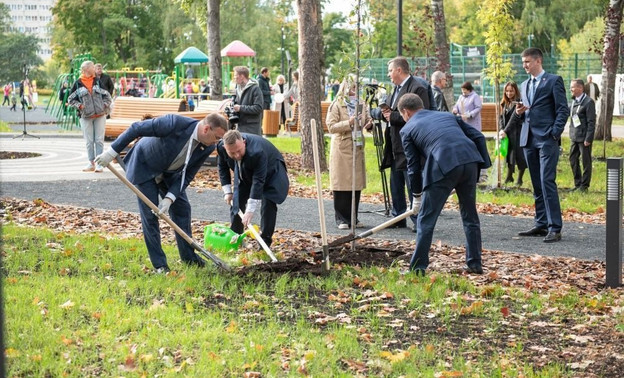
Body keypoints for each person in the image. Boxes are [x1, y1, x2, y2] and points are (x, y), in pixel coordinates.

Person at [94, 113, 229, 273]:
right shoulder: (174, 123)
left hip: (170, 173)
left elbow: (188, 174)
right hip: (144, 166)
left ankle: (189, 258)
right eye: (217, 137)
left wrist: (170, 198)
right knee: (150, 216)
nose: (217, 142)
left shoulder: (208, 147)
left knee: (182, 210)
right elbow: (136, 128)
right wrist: (111, 152)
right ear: (206, 129)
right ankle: (160, 265)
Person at [398, 93, 491, 275]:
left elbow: (413, 167)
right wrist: (483, 166)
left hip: (443, 165)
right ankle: (475, 263)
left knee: (426, 219)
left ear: (406, 112)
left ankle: (417, 268)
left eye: (402, 116)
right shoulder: (447, 115)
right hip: (470, 161)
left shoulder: (407, 129)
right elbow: (478, 137)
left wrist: (416, 196)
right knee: (469, 215)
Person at [500, 48, 569, 243]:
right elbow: (523, 111)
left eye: (527, 62)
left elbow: (563, 110)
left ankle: (555, 227)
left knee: (547, 181)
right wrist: (519, 113)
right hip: (528, 139)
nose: (524, 65)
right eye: (523, 62)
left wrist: (554, 133)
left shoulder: (554, 81)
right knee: (537, 183)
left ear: (538, 61)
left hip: (547, 138)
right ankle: (541, 223)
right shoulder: (524, 84)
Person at [370, 56, 436, 231]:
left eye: (391, 70)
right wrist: (382, 113)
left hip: (410, 143)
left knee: (412, 181)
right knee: (396, 182)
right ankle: (398, 216)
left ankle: (418, 219)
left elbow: (421, 115)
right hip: (395, 142)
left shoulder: (417, 88)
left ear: (399, 70)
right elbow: (390, 112)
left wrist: (393, 116)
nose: (389, 74)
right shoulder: (396, 89)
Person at [217, 130, 289, 248]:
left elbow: (258, 181)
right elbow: (222, 167)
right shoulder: (221, 147)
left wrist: (250, 211)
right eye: (232, 153)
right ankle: (235, 238)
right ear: (225, 147)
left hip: (272, 173)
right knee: (237, 200)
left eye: (239, 151)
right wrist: (227, 191)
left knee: (268, 203)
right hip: (247, 172)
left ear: (244, 142)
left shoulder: (257, 152)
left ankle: (264, 243)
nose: (237, 156)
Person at [326, 77, 372, 229]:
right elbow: (331, 126)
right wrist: (349, 123)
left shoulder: (361, 102)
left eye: (357, 87)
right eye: (352, 87)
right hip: (342, 147)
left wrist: (369, 123)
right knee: (341, 183)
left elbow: (366, 119)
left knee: (355, 183)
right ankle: (341, 218)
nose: (354, 90)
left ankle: (354, 217)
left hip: (357, 146)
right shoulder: (337, 103)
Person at [67, 60, 113, 173]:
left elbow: (107, 95)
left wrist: (104, 105)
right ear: (87, 69)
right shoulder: (77, 83)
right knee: (89, 141)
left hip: (100, 115)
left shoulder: (97, 81)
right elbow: (70, 100)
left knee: (99, 140)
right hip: (85, 116)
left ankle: (99, 164)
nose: (95, 69)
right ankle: (91, 162)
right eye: (93, 67)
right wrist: (80, 106)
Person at [568, 78, 596, 192]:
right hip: (574, 136)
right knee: (572, 159)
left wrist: (588, 138)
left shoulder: (588, 102)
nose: (571, 89)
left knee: (586, 161)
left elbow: (591, 122)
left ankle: (584, 186)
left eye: (573, 87)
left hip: (584, 138)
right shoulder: (574, 101)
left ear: (580, 88)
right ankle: (577, 183)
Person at [499, 81, 527, 186]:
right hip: (507, 133)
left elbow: (513, 119)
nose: (509, 93)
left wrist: (505, 130)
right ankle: (509, 176)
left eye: (511, 91)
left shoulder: (519, 102)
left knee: (520, 156)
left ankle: (520, 179)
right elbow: (501, 118)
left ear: (515, 90)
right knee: (509, 155)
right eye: (507, 91)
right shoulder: (504, 103)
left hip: (517, 132)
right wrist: (502, 130)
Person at [232, 66, 264, 135]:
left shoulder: (255, 89)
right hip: (241, 127)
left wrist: (240, 108)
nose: (234, 78)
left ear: (242, 76)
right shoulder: (237, 89)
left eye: (235, 75)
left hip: (252, 128)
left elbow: (258, 108)